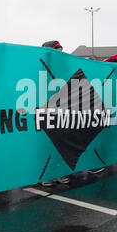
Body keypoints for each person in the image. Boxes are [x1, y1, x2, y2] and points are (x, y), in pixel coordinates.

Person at [39, 40, 72, 186]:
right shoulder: (40, 68)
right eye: (57, 50)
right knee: (46, 145)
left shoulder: (64, 68)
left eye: (61, 50)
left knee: (62, 143)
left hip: (62, 111)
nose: (61, 53)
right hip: (45, 112)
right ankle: (45, 175)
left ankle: (59, 172)